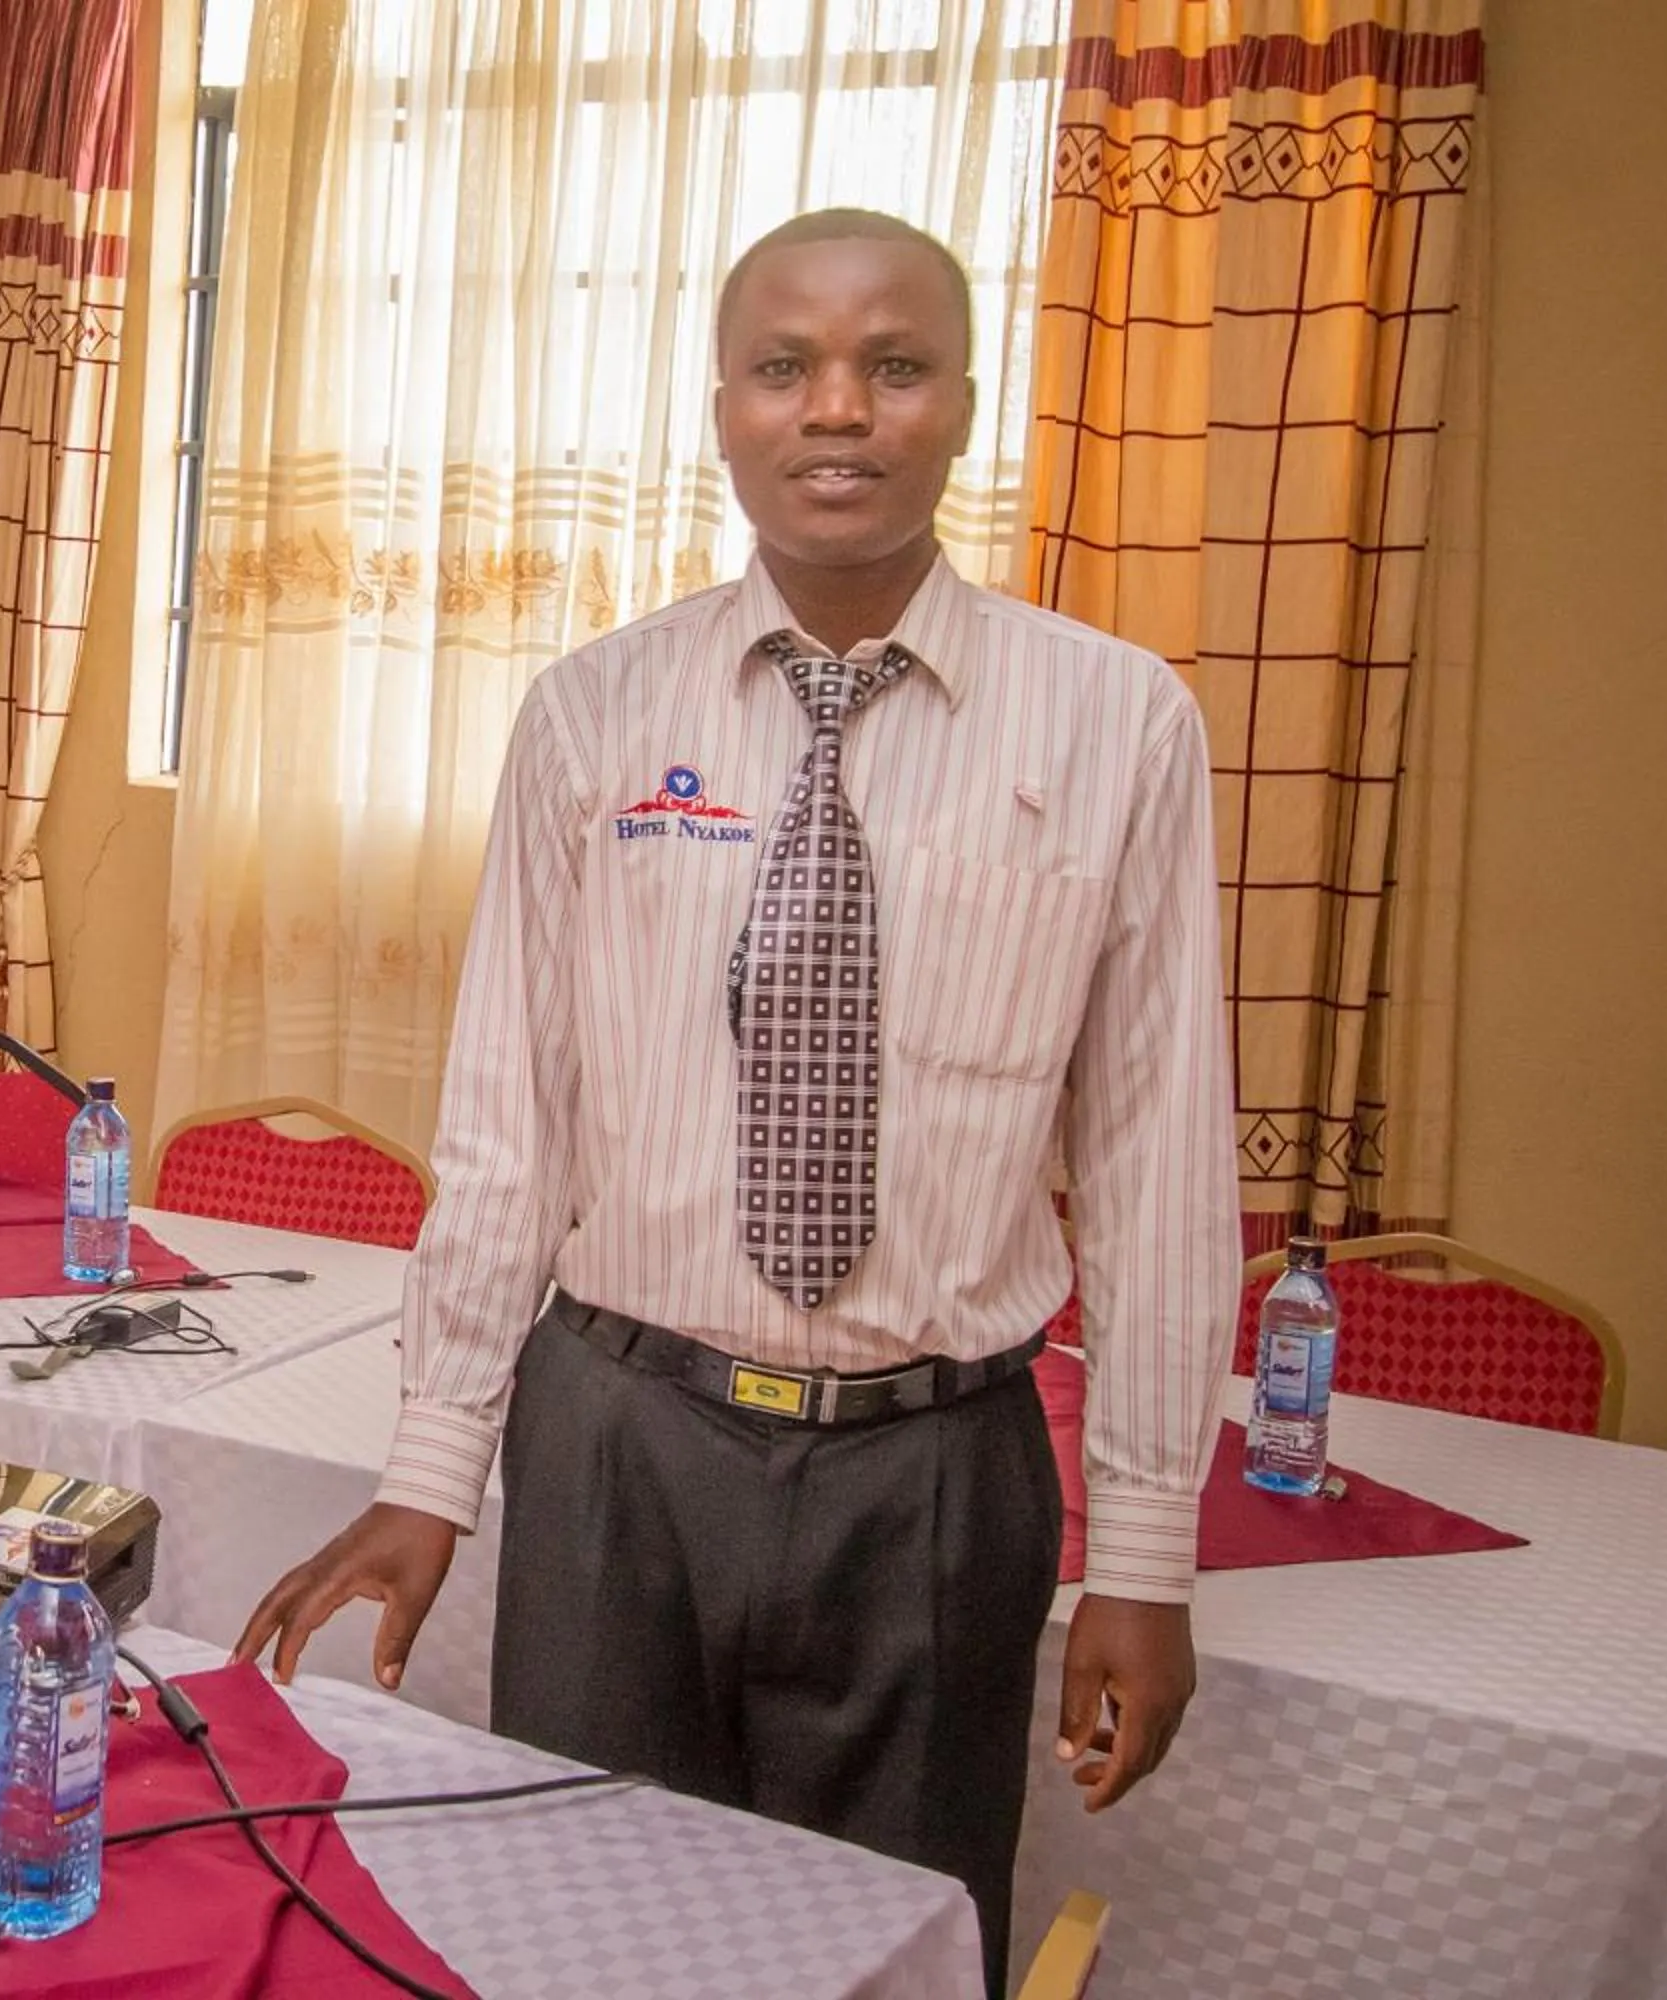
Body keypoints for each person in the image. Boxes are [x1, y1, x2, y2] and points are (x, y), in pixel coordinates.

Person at [234, 208, 1237, 1990]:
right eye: (786, 366)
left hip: (936, 1475)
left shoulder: (1119, 727)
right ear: (723, 404)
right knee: (573, 1936)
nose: (837, 409)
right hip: (623, 1442)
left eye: (894, 366)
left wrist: (1145, 1555)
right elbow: (506, 1128)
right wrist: (430, 1470)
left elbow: (1160, 1165)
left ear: (963, 404)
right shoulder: (592, 717)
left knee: (884, 1952)